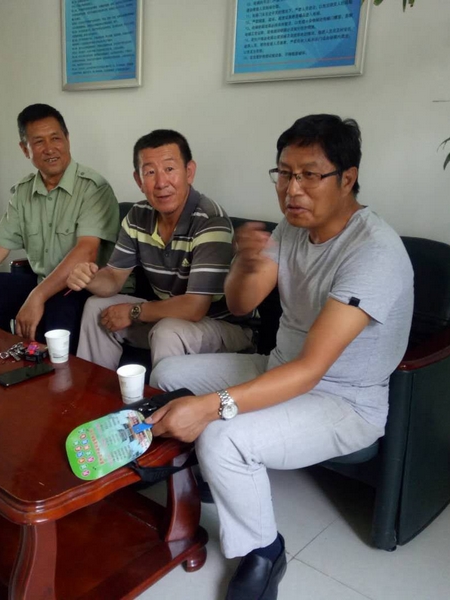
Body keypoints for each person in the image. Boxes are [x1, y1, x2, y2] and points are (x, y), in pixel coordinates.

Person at [148, 115, 414, 600]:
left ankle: (264, 551)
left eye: (310, 175)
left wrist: (209, 408)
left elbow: (311, 370)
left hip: (343, 401)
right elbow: (240, 304)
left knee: (223, 435)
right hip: (279, 367)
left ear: (347, 178)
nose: (293, 190)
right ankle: (208, 478)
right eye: (285, 174)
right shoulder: (293, 228)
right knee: (168, 372)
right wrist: (247, 263)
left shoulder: (373, 252)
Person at [0, 104, 120, 352]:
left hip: (82, 288)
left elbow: (86, 252)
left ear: (67, 139)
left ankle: (46, 371)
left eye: (56, 138)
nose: (50, 148)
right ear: (25, 149)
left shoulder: (93, 188)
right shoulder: (23, 192)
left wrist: (37, 296)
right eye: (39, 142)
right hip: (41, 281)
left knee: (57, 316)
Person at [66, 129, 252, 371]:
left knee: (167, 331)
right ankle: (92, 390)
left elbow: (195, 307)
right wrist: (89, 278)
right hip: (170, 318)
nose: (161, 182)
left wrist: (133, 312)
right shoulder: (137, 216)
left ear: (189, 172)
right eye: (150, 172)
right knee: (96, 307)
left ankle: (163, 397)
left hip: (223, 327)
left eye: (170, 169)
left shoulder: (210, 220)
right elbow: (113, 278)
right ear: (138, 180)